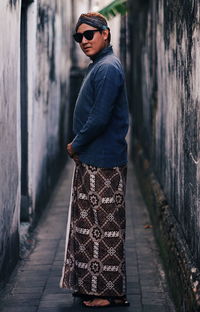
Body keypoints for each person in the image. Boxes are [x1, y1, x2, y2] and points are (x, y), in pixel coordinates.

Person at [59, 12, 129, 308]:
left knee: (103, 230)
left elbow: (99, 118)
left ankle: (106, 292)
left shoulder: (108, 68)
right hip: (95, 160)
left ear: (106, 34)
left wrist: (76, 144)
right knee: (90, 228)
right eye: (79, 37)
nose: (84, 41)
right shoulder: (101, 65)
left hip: (102, 162)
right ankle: (92, 287)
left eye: (90, 34)